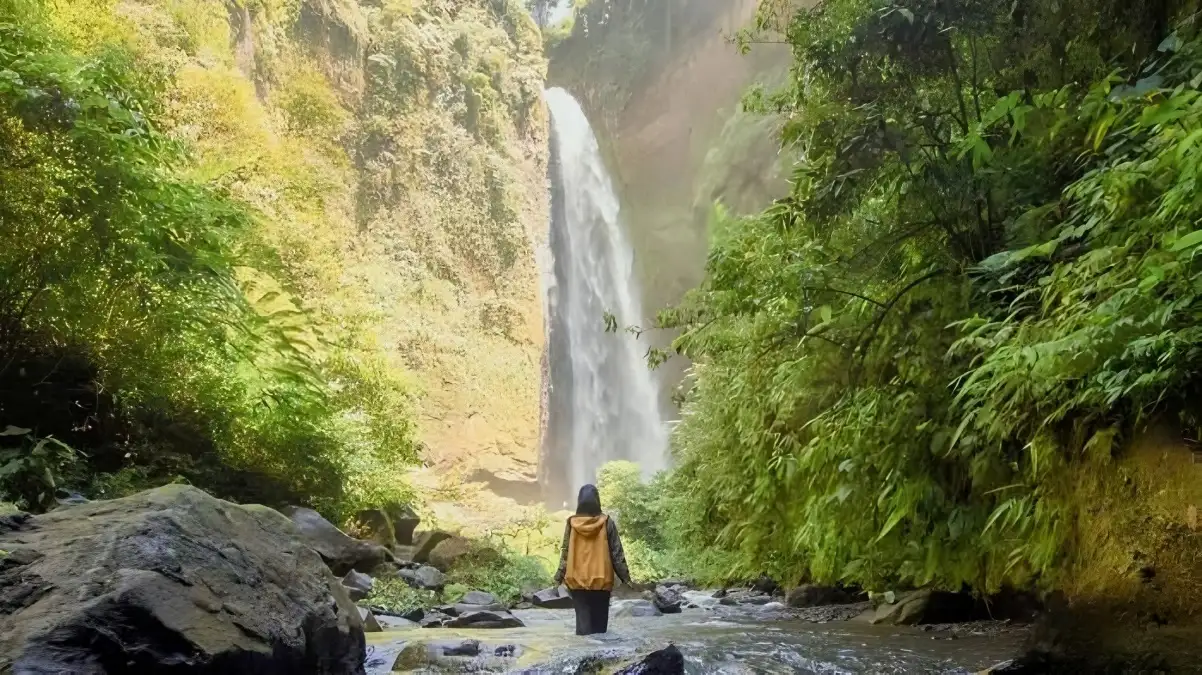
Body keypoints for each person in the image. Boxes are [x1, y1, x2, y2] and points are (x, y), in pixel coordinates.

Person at [553, 484, 631, 635]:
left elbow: (566, 553)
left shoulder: (571, 523)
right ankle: (601, 657)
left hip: (577, 581)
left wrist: (558, 577)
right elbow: (617, 553)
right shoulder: (607, 522)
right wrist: (626, 578)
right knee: (600, 628)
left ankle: (582, 656)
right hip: (601, 580)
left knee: (583, 629)